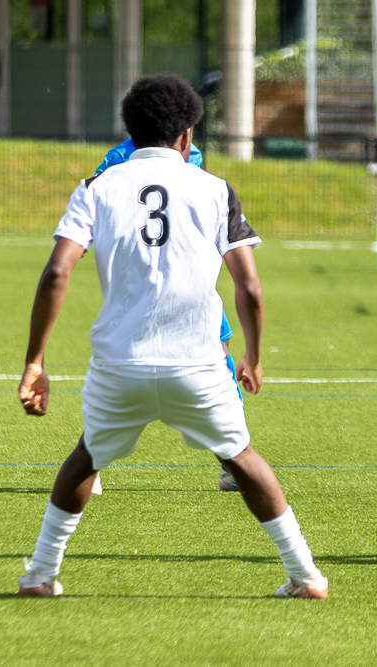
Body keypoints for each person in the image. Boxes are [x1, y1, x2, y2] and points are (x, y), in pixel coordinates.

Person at [16, 73, 328, 599]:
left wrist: (35, 361)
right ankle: (305, 576)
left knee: (87, 457)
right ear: (187, 136)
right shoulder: (214, 189)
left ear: (129, 131)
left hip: (121, 365)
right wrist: (250, 354)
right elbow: (248, 285)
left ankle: (41, 574)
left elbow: (57, 273)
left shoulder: (96, 187)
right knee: (242, 458)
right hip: (200, 364)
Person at [91, 130, 242, 494]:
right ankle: (234, 465)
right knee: (212, 358)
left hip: (160, 281)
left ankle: (232, 466)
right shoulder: (175, 154)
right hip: (167, 280)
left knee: (119, 364)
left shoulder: (122, 158)